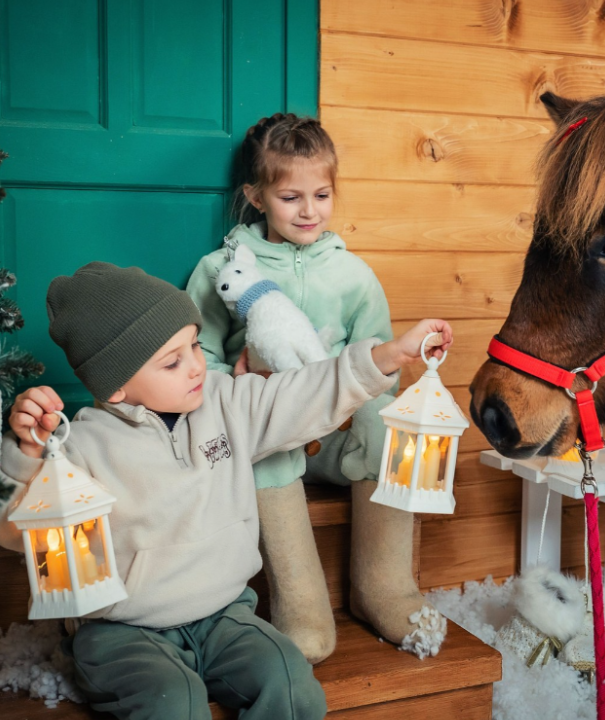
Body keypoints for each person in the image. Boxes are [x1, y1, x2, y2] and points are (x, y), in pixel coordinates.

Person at [0, 261, 453, 720]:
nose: (195, 366)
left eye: (193, 345)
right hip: (121, 632)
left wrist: (388, 356)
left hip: (224, 616)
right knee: (173, 702)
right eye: (172, 361)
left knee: (292, 686)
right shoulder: (81, 445)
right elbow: (13, 527)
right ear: (116, 389)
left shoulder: (226, 400)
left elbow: (304, 392)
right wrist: (28, 452)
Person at [186, 113, 442, 664]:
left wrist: (370, 387)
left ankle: (384, 586)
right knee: (267, 449)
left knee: (386, 423)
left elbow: (382, 368)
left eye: (322, 195)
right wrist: (231, 373)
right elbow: (197, 361)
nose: (309, 211)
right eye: (290, 197)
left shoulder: (352, 275)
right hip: (267, 436)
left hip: (335, 437)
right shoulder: (221, 271)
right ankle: (301, 605)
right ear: (256, 196)